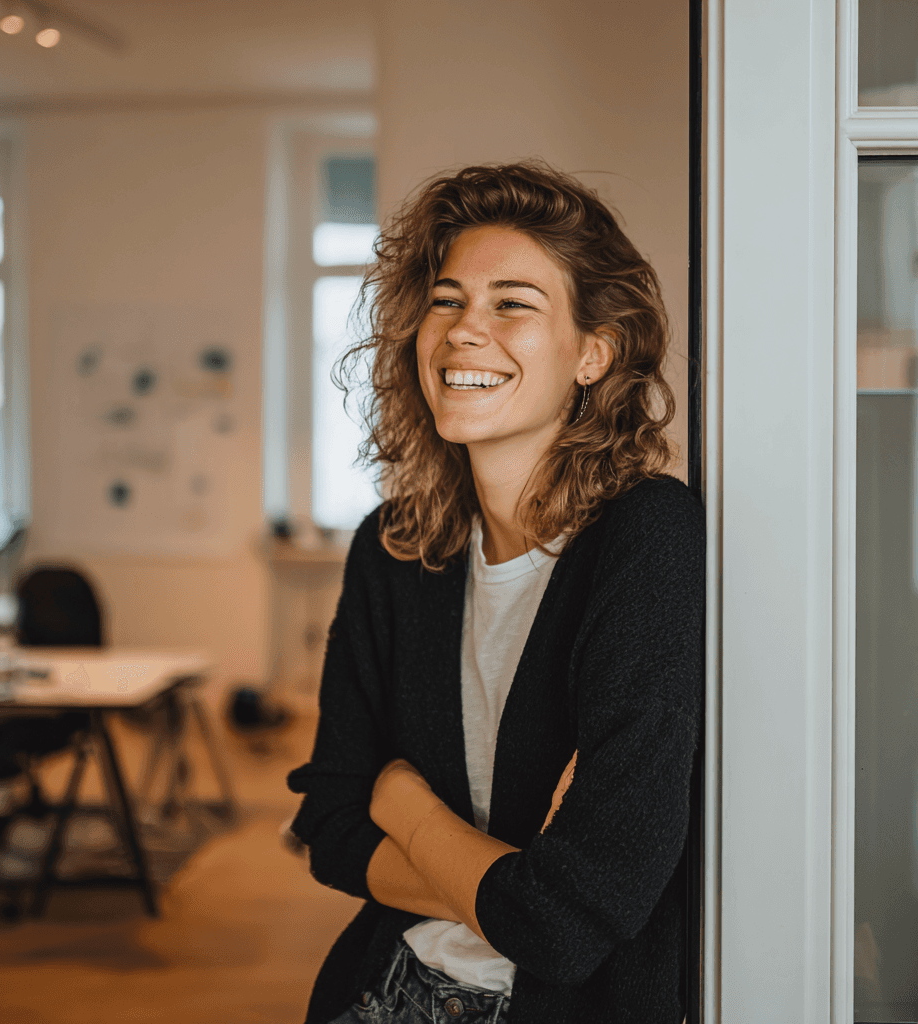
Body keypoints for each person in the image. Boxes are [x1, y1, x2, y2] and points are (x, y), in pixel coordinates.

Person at [287, 161, 705, 1024]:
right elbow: (328, 824)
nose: (464, 331)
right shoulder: (395, 547)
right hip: (383, 991)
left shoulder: (647, 539)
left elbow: (574, 922)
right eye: (446, 301)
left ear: (594, 351)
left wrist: (401, 803)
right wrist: (505, 886)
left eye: (512, 303)